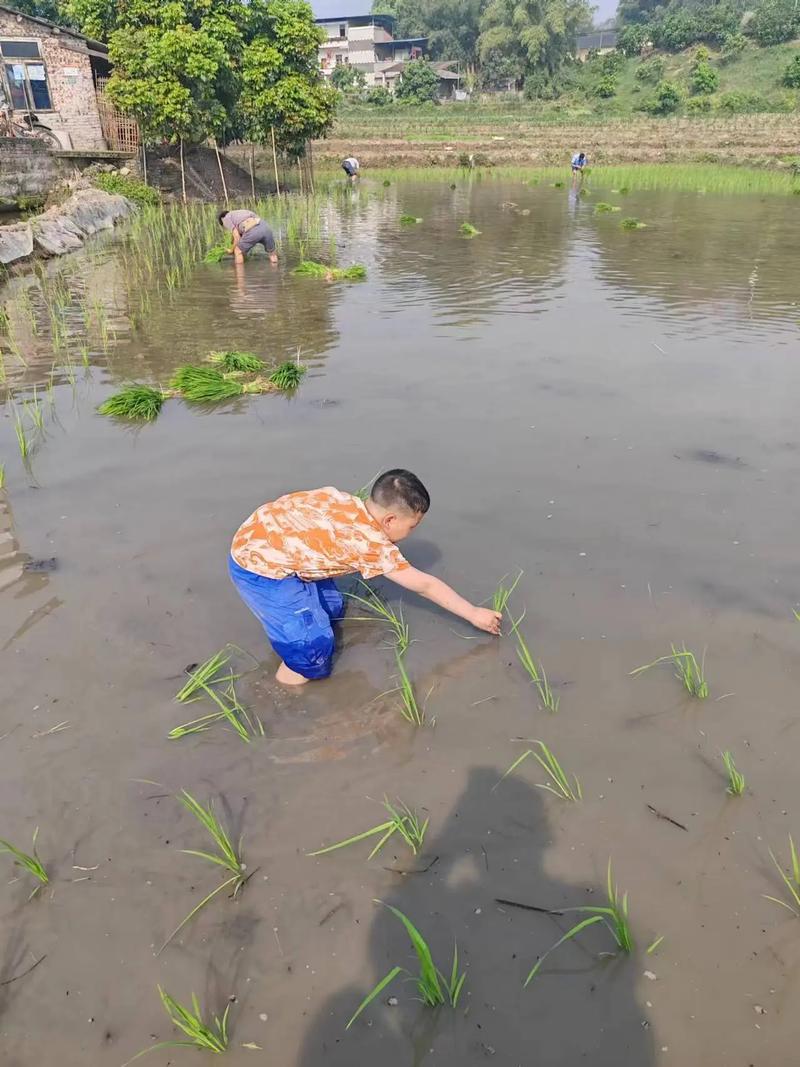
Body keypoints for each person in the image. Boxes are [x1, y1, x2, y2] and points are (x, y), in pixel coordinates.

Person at [228, 470, 502, 686]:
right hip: (259, 569)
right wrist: (474, 613)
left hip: (262, 537)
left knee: (332, 608)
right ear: (390, 520)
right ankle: (286, 689)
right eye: (412, 526)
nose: (412, 532)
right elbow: (424, 585)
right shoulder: (369, 545)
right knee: (313, 650)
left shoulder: (343, 500)